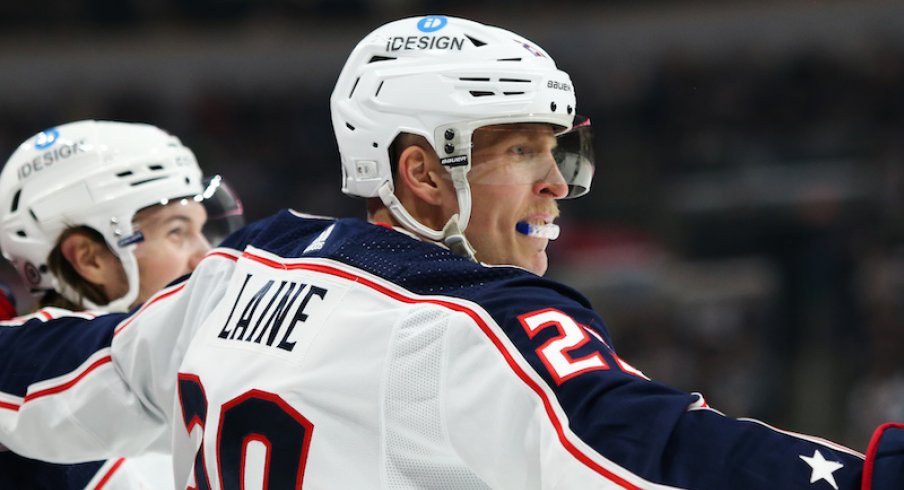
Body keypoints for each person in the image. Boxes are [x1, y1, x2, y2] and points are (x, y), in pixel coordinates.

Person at [0, 16, 902, 489]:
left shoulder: (239, 272)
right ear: (422, 174)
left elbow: (49, 381)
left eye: (561, 150)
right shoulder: (476, 323)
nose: (556, 183)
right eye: (520, 151)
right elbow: (665, 455)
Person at [0, 120, 242, 489]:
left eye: (201, 229)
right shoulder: (50, 413)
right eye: (177, 231)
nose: (204, 256)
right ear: (89, 258)